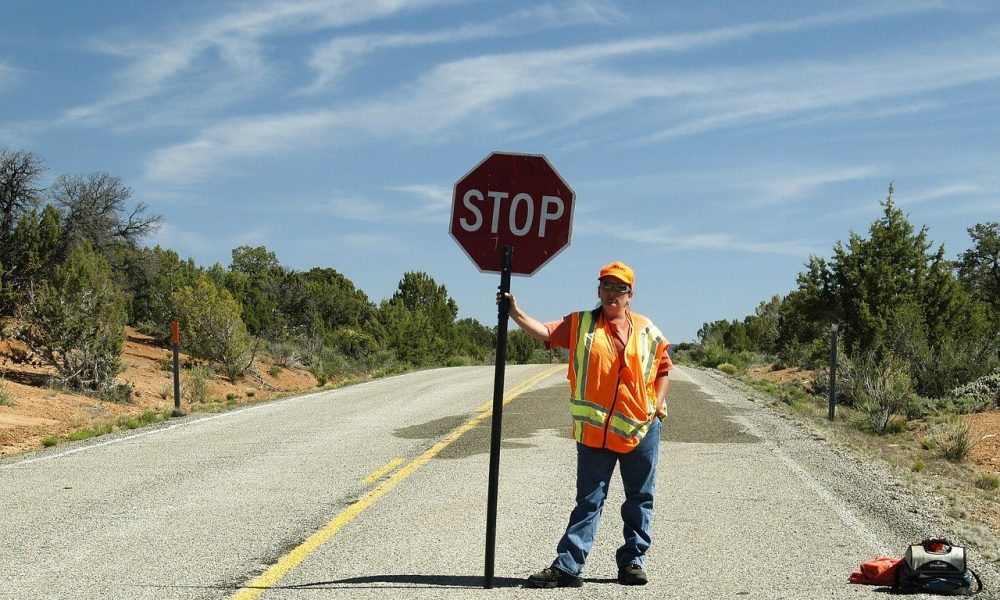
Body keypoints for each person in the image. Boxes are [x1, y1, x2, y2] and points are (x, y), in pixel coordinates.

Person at [499, 261, 672, 588]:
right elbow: (546, 333)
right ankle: (568, 566)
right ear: (598, 290)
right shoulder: (580, 324)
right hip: (595, 434)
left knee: (640, 497)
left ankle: (633, 561)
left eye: (620, 288)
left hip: (641, 429)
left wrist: (657, 404)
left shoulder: (647, 329)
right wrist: (515, 313)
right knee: (589, 501)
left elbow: (663, 369)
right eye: (607, 286)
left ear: (630, 295)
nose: (612, 293)